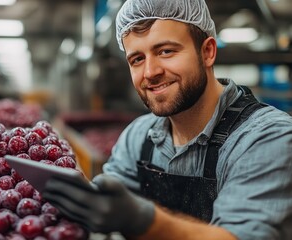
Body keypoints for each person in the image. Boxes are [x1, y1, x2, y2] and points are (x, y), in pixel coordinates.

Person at [42, 0, 292, 239]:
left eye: (166, 51)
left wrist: (142, 220)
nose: (150, 72)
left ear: (207, 52)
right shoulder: (138, 137)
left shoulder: (267, 138)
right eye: (137, 59)